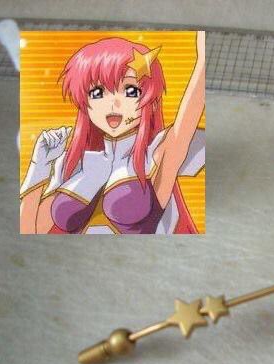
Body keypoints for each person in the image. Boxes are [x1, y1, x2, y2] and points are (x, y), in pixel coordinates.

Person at [20, 31, 205, 234]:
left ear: (150, 99)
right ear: (84, 102)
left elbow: (190, 113)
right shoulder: (71, 163)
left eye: (130, 91)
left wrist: (203, 58)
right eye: (97, 92)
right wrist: (39, 167)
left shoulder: (155, 154)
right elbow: (29, 230)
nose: (113, 103)